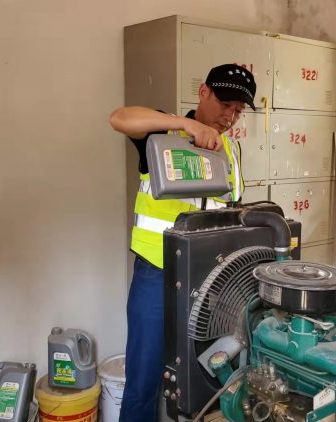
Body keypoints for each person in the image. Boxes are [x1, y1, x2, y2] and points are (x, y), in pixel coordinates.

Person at [109, 63, 256, 422]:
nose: (230, 116)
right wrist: (185, 124)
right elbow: (119, 118)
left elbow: (233, 210)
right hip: (157, 274)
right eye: (225, 104)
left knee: (206, 373)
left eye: (238, 110)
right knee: (144, 379)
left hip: (211, 282)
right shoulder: (163, 133)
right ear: (203, 92)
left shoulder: (231, 150)